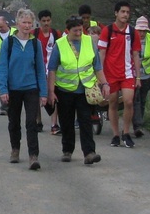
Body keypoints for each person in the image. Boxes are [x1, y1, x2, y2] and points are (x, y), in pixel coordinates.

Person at [47, 15, 110, 164]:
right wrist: (51, 92)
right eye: (75, 31)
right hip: (65, 90)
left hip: (85, 90)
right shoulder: (60, 44)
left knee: (86, 121)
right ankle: (67, 150)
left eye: (80, 30)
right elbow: (52, 69)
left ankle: (89, 153)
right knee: (67, 122)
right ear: (67, 30)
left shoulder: (89, 42)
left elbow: (97, 66)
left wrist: (105, 84)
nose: (78, 33)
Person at [0, 8, 48, 170]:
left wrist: (44, 93)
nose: (27, 25)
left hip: (31, 88)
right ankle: (15, 149)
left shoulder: (36, 44)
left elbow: (41, 69)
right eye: (24, 22)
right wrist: (3, 89)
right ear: (17, 23)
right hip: (13, 89)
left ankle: (33, 156)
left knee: (31, 122)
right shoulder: (9, 43)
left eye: (30, 23)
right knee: (14, 122)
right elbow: (3, 68)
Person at [98, 1, 142, 148]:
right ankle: (116, 135)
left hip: (127, 73)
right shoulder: (107, 31)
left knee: (129, 101)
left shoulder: (133, 32)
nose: (125, 15)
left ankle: (126, 132)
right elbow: (102, 54)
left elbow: (136, 55)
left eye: (128, 12)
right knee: (113, 103)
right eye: (123, 12)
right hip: (110, 74)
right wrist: (101, 77)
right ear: (116, 13)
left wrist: (138, 77)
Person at [33, 9, 62, 135]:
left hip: (52, 70)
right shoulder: (34, 34)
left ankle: (54, 124)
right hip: (38, 69)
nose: (46, 23)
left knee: (53, 96)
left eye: (48, 20)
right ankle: (38, 122)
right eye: (43, 21)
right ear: (39, 22)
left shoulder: (56, 34)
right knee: (36, 96)